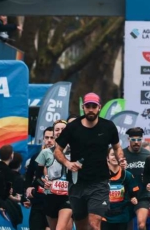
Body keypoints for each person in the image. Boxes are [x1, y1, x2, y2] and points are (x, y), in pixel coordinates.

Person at [55, 93, 124, 230]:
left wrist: (121, 158)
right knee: (81, 225)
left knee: (94, 223)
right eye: (88, 106)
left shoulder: (108, 126)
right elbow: (57, 150)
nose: (91, 109)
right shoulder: (72, 127)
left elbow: (117, 147)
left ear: (99, 107)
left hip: (99, 183)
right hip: (77, 183)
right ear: (83, 107)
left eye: (94, 106)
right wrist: (67, 163)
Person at [37, 121, 74, 230]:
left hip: (69, 197)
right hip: (50, 197)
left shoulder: (76, 152)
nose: (60, 132)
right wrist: (44, 183)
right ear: (54, 133)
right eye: (57, 129)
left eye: (63, 129)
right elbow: (37, 177)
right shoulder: (45, 153)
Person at [104, 147, 140, 230]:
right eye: (113, 155)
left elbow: (134, 193)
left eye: (118, 155)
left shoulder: (127, 175)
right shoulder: (101, 175)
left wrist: (134, 198)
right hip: (105, 216)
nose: (116, 157)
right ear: (107, 158)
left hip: (122, 215)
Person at [124, 127, 150, 230]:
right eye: (133, 140)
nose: (136, 142)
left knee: (141, 224)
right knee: (125, 226)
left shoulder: (148, 155)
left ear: (142, 140)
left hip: (142, 196)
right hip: (125, 196)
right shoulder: (122, 154)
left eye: (139, 139)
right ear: (129, 140)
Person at [25, 126, 53, 230]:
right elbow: (29, 175)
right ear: (43, 139)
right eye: (47, 137)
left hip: (54, 201)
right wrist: (28, 188)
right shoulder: (36, 156)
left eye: (52, 137)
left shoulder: (61, 157)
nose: (49, 140)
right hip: (38, 201)